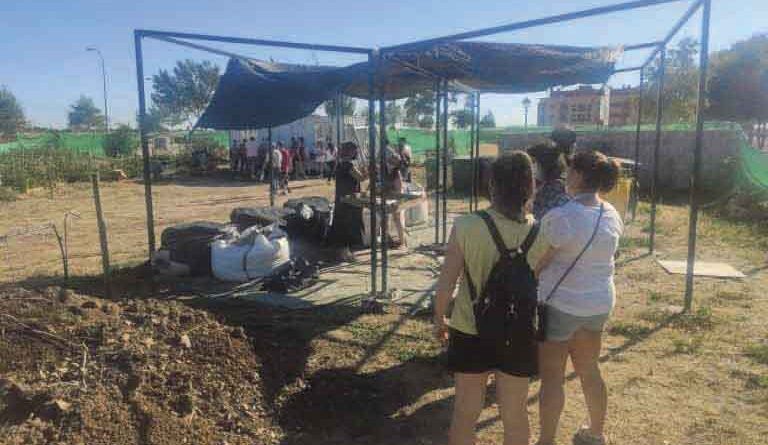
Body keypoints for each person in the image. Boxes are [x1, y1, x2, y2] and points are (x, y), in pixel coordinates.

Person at [433, 152, 545, 445]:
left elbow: (447, 281)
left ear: (492, 184)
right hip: (518, 331)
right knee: (516, 413)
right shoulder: (541, 231)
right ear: (530, 187)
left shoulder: (467, 225)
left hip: (471, 328)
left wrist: (439, 318)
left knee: (466, 411)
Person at [534, 150, 624, 445]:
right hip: (598, 302)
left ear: (580, 175)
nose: (566, 175)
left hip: (561, 303)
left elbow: (538, 262)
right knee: (589, 369)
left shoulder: (561, 217)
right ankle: (596, 433)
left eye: (570, 170)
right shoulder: (611, 214)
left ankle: (547, 440)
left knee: (552, 377)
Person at [327, 141, 365, 262]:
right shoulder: (348, 165)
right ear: (350, 151)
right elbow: (361, 178)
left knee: (342, 225)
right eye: (355, 150)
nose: (356, 152)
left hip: (342, 199)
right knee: (348, 226)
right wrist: (370, 170)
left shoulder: (340, 164)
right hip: (349, 200)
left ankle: (344, 253)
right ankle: (345, 254)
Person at [528, 143, 570, 219]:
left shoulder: (557, 193)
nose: (529, 167)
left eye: (533, 162)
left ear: (545, 164)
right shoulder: (535, 187)